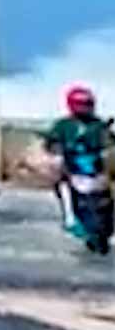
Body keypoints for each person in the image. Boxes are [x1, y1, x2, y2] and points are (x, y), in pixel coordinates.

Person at [44, 85, 113, 244]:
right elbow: (51, 142)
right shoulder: (63, 125)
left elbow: (109, 143)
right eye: (81, 104)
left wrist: (106, 150)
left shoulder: (99, 125)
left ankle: (106, 227)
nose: (85, 108)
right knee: (63, 185)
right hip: (71, 170)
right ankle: (70, 219)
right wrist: (57, 151)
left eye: (88, 104)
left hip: (95, 170)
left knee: (105, 199)